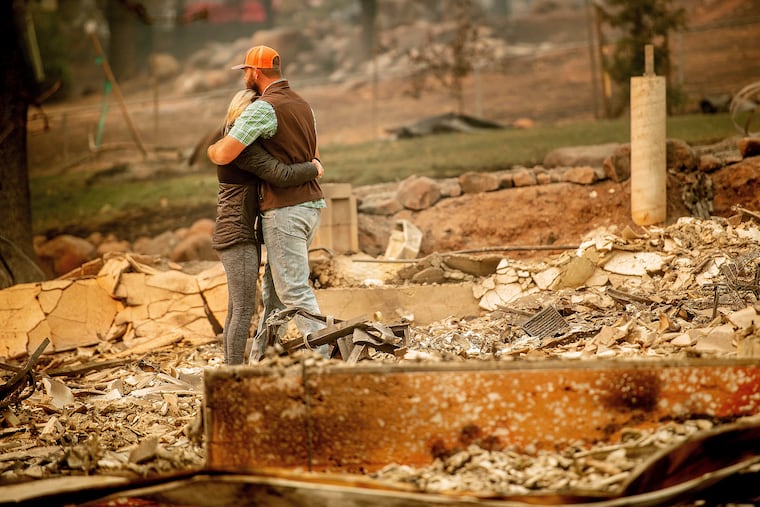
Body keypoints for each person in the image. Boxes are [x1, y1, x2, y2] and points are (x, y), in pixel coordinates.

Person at [207, 45, 327, 361]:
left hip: (285, 210)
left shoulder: (263, 108)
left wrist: (213, 151)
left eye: (246, 70)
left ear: (256, 72)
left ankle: (328, 355)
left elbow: (223, 153)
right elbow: (300, 151)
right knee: (272, 296)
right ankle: (260, 359)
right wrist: (315, 166)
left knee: (293, 291)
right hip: (311, 206)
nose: (245, 76)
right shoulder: (304, 105)